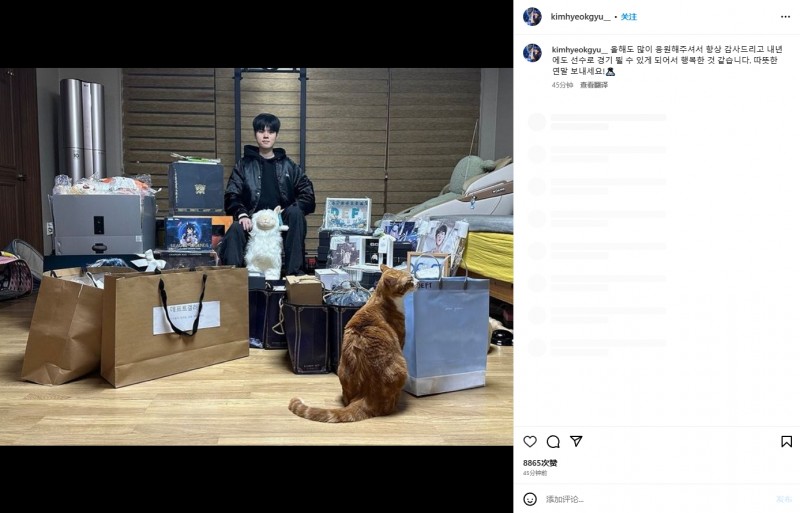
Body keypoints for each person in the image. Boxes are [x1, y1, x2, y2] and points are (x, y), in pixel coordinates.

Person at [218, 113, 316, 275]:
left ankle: (294, 275)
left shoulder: (289, 165)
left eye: (270, 132)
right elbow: (231, 195)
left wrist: (290, 209)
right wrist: (241, 214)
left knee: (296, 213)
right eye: (261, 131)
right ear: (255, 134)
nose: (265, 135)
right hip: (252, 221)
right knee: (235, 227)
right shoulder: (243, 165)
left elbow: (308, 196)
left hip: (281, 221)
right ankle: (234, 279)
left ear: (276, 135)